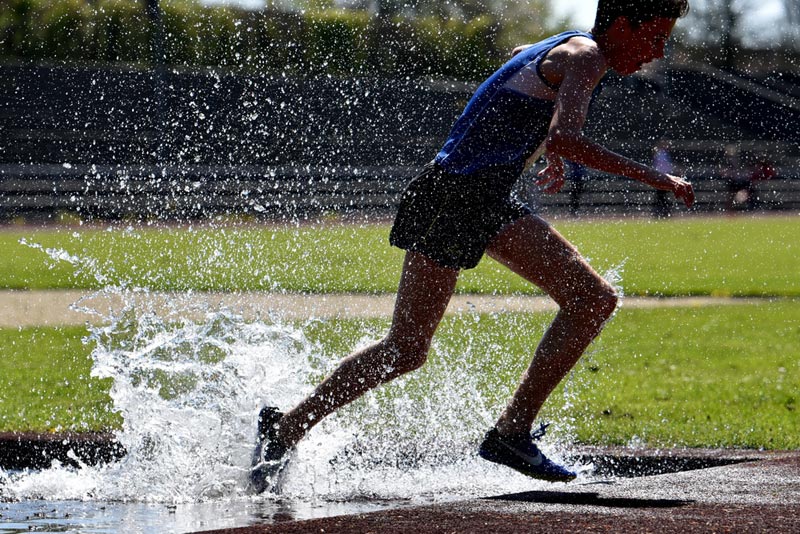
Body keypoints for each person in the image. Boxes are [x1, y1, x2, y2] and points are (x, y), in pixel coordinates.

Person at [250, 0, 695, 493]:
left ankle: (288, 428)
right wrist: (655, 177)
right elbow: (566, 136)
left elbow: (521, 60)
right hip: (462, 194)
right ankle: (507, 433)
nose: (657, 52)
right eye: (654, 37)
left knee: (416, 346)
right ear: (622, 24)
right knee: (421, 345)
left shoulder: (565, 46)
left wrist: (540, 147)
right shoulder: (587, 56)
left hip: (463, 192)